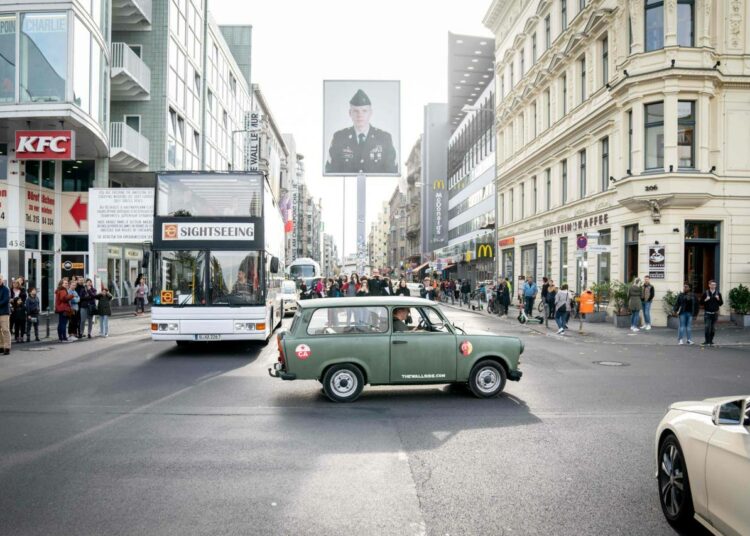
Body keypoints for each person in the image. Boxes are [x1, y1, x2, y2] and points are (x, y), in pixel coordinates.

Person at [325, 89, 397, 174]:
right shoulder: (339, 138)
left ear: (370, 113)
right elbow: (330, 171)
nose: (360, 115)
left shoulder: (384, 138)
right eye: (356, 111)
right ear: (350, 113)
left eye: (364, 111)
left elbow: (392, 172)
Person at [701, 280, 723, 346]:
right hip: (707, 313)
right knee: (707, 327)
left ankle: (711, 341)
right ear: (709, 285)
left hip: (715, 313)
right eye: (712, 285)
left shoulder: (718, 293)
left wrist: (718, 299)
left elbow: (721, 303)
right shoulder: (706, 293)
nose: (713, 286)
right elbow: (701, 302)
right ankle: (706, 341)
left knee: (713, 328)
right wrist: (705, 300)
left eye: (714, 285)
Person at [0, 274, 10, 355]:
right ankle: (1, 346)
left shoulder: (6, 289)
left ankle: (7, 347)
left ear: (2, 280)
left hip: (4, 313)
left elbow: (5, 300)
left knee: (5, 330)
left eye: (0, 279)